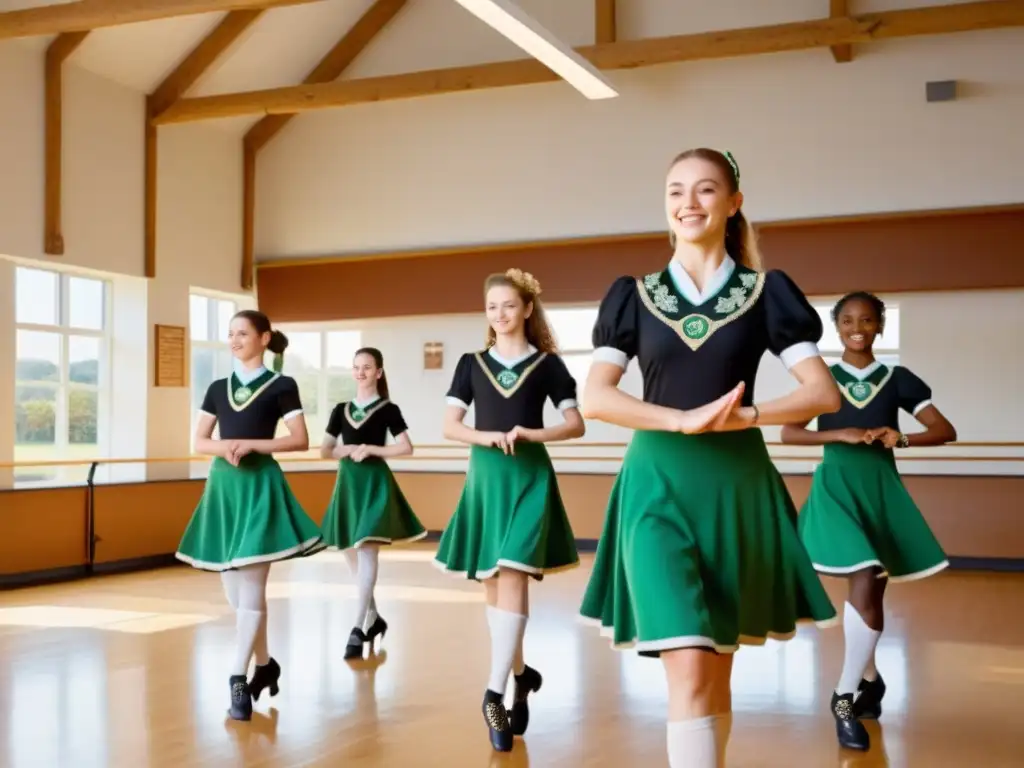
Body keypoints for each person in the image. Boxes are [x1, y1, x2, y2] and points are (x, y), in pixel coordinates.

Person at [578, 148, 843, 768]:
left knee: (714, 672)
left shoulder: (766, 292)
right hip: (655, 488)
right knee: (689, 663)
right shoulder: (633, 296)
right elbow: (596, 398)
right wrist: (679, 419)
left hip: (736, 489)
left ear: (733, 203)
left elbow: (821, 393)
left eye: (703, 190)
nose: (687, 203)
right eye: (675, 191)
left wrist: (746, 415)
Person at [780, 291, 956, 752]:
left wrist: (901, 439)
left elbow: (944, 430)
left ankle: (871, 680)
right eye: (848, 320)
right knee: (863, 576)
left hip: (880, 491)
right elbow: (789, 432)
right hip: (836, 488)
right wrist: (842, 432)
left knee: (872, 591)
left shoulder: (898, 378)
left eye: (868, 320)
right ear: (836, 327)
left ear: (880, 326)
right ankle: (843, 700)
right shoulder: (823, 378)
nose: (857, 327)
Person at [433, 268, 585, 753]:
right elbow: (450, 426)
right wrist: (487, 437)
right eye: (491, 307)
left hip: (530, 477)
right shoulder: (470, 363)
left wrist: (531, 435)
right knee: (495, 586)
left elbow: (575, 424)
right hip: (485, 478)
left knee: (514, 573)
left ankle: (494, 691)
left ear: (526, 309)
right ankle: (521, 673)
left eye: (507, 305)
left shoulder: (549, 365)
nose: (499, 314)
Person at [176, 309, 325, 721]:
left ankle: (237, 678)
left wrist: (252, 445)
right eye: (230, 334)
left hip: (260, 487)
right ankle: (266, 663)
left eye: (242, 333)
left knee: (252, 590)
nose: (234, 340)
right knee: (236, 595)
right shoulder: (218, 387)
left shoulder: (283, 385)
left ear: (264, 338)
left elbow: (299, 439)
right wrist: (226, 447)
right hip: (224, 488)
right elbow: (200, 440)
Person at [319, 346, 426, 660]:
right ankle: (374, 618)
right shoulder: (340, 409)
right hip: (348, 485)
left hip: (374, 484)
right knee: (352, 554)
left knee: (366, 549)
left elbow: (406, 448)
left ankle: (356, 629)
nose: (361, 372)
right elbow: (326, 450)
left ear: (378, 372)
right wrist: (348, 450)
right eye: (356, 367)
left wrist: (372, 449)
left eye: (367, 367)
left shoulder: (388, 409)